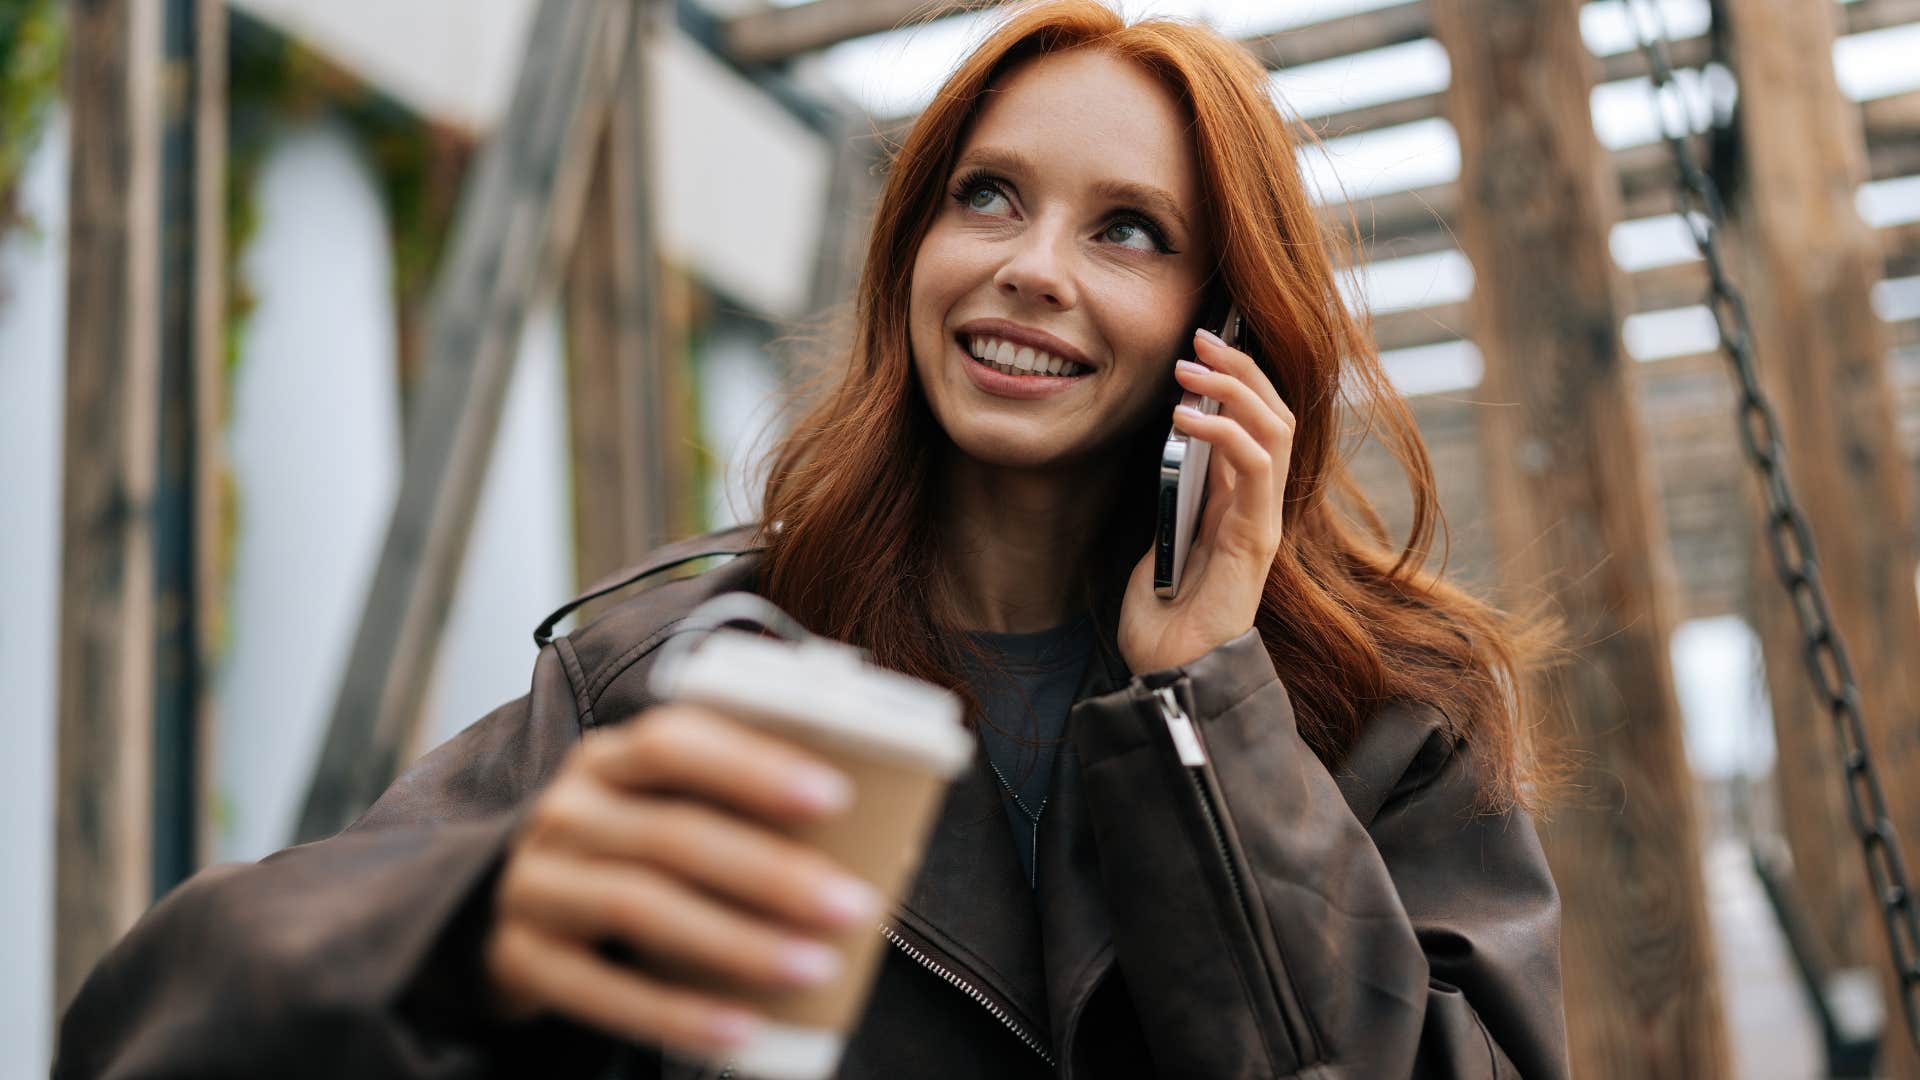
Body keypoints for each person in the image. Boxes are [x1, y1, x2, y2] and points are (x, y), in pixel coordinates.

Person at [56, 3, 1569, 1077]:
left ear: (1223, 329)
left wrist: (1210, 713)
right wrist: (473, 923)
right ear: (910, 248)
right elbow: (173, 1023)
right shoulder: (677, 672)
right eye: (987, 197)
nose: (1031, 267)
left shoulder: (1381, 724)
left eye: (1127, 231)